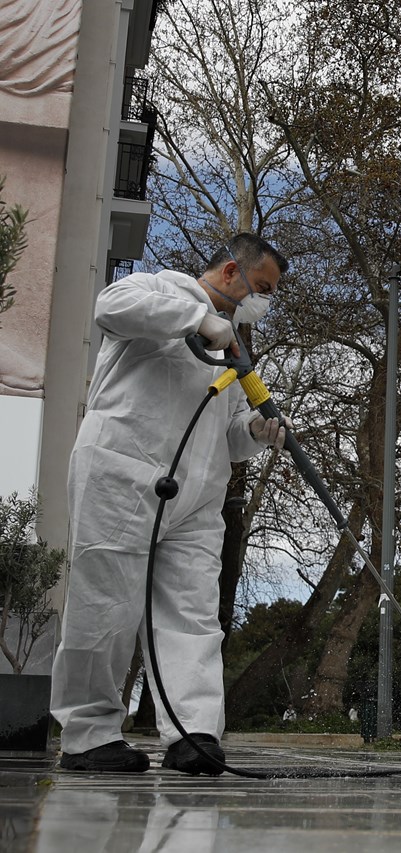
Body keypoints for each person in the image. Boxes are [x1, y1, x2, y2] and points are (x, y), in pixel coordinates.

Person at [51, 233, 289, 774]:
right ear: (232, 271)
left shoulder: (232, 350)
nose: (264, 301)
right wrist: (197, 318)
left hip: (197, 497)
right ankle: (88, 736)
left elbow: (225, 434)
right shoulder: (156, 289)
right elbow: (111, 306)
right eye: (263, 288)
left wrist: (253, 430)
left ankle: (194, 733)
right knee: (105, 608)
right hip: (121, 476)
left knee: (193, 616)